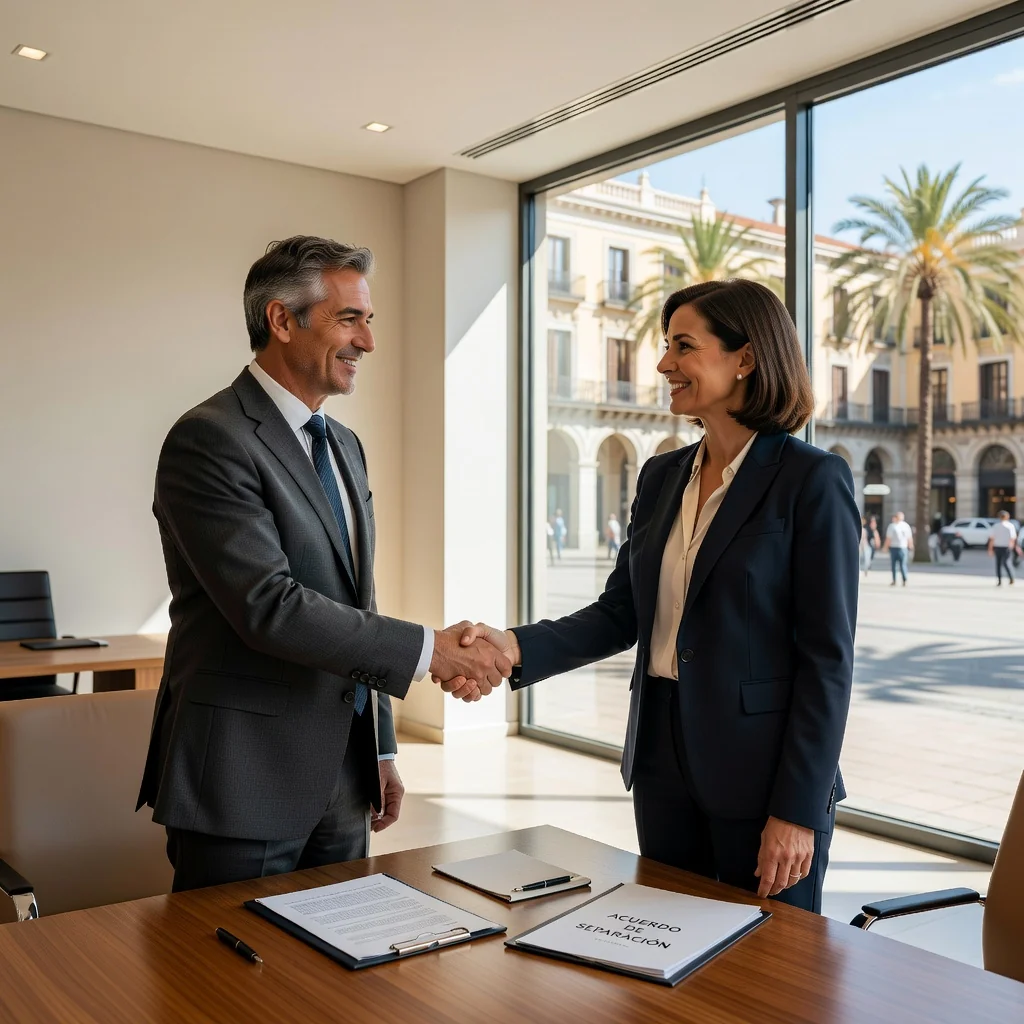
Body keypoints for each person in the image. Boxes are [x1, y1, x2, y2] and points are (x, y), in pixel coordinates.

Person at [450, 280, 859, 914]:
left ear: (745, 359)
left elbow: (827, 663)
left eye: (683, 346)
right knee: (668, 950)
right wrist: (512, 646)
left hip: (763, 779)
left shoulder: (812, 480)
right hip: (662, 761)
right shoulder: (662, 475)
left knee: (767, 981)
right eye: (667, 346)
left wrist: (798, 811)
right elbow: (621, 612)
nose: (664, 364)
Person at [137, 236, 509, 892]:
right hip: (242, 780)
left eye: (369, 321)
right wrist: (433, 652)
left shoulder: (343, 445)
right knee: (228, 989)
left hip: (342, 776)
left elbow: (355, 602)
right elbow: (268, 607)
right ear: (282, 320)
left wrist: (381, 748)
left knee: (332, 980)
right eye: (350, 319)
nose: (368, 341)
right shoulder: (209, 439)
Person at [883, 512, 914, 586]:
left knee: (898, 565)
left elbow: (888, 538)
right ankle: (900, 579)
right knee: (900, 564)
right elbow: (909, 538)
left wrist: (885, 547)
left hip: (899, 547)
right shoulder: (902, 526)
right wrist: (911, 545)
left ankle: (900, 579)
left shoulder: (894, 526)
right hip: (899, 547)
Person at [988, 511, 1017, 586]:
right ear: (1007, 517)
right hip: (1006, 547)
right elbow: (1013, 538)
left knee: (998, 564)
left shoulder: (995, 526)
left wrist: (990, 549)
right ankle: (1011, 578)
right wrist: (1012, 547)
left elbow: (992, 539)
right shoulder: (1010, 526)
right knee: (1006, 563)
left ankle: (999, 580)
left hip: (997, 547)